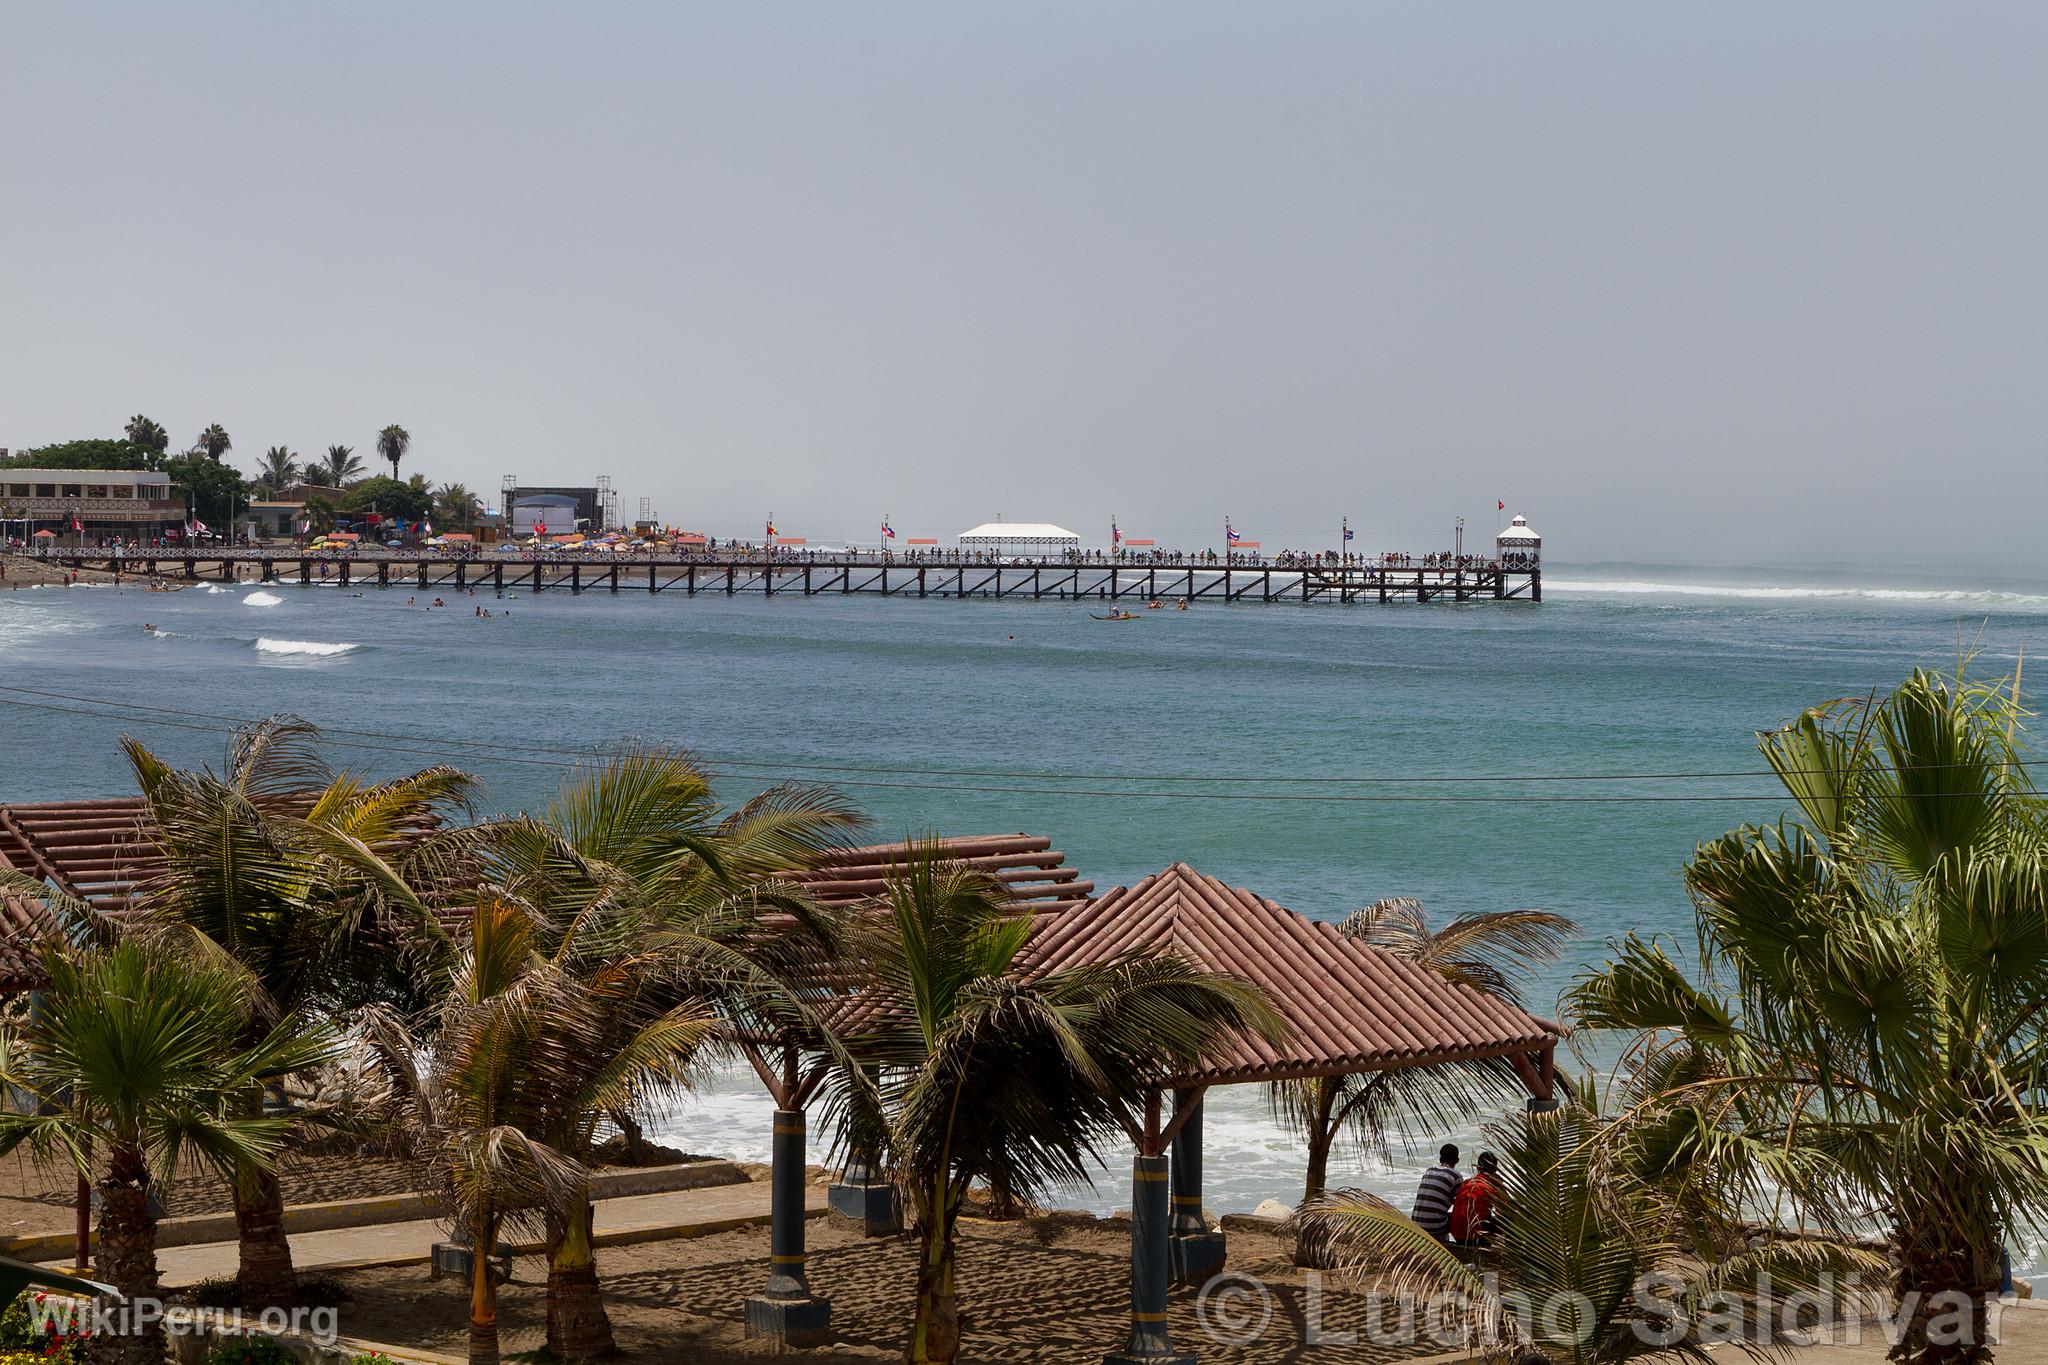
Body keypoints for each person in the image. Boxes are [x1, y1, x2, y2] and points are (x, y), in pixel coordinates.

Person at [1410, 1144, 1461, 1240]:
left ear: (1440, 1159)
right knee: (1458, 1216)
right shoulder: (1455, 1176)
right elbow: (1461, 1202)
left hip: (1416, 1223)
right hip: (1434, 1226)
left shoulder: (1428, 1171)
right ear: (1457, 1160)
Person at [1449, 1151, 1499, 1247]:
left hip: (1456, 1234)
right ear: (1495, 1169)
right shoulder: (1490, 1187)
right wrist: (1501, 1186)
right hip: (1475, 1237)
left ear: (1477, 1167)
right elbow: (1505, 1210)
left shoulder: (1466, 1183)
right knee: (1508, 1219)